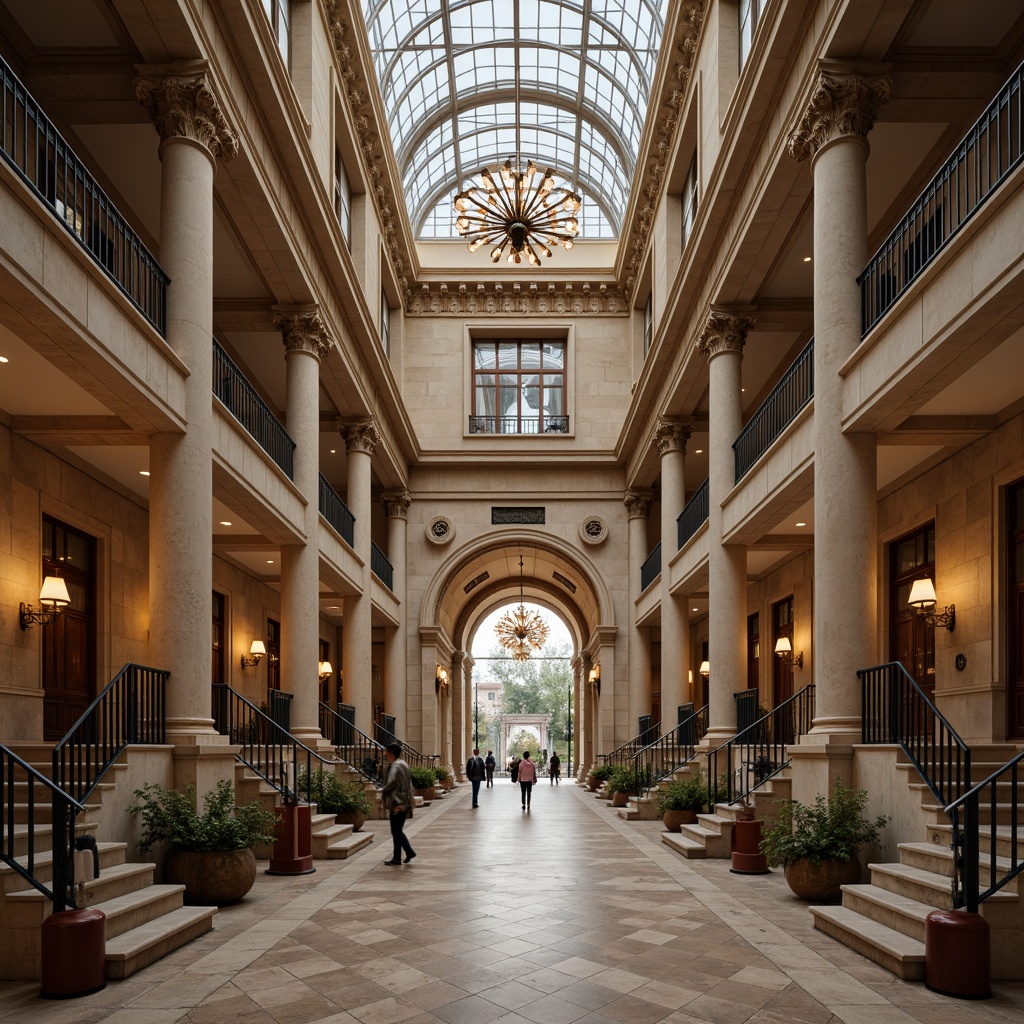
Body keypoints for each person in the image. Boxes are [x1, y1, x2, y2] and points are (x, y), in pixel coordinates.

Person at [380, 742, 416, 866]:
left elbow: (392, 782)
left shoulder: (395, 766)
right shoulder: (403, 764)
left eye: (386, 753)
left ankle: (406, 853)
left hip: (397, 803)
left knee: (396, 831)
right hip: (403, 802)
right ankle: (398, 856)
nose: (385, 755)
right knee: (397, 830)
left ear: (391, 754)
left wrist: (383, 790)